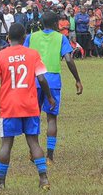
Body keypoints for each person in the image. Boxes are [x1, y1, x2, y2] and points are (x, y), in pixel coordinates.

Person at [0, 22, 55, 190]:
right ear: (24, 38)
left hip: (9, 107)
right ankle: (43, 179)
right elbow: (42, 79)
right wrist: (49, 97)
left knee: (6, 145)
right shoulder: (32, 54)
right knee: (34, 143)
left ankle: (1, 183)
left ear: (8, 38)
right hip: (30, 105)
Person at [25, 11, 83, 161]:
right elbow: (69, 59)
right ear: (55, 24)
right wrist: (77, 79)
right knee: (51, 118)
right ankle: (50, 156)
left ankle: (34, 150)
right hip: (53, 81)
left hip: (34, 80)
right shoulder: (61, 38)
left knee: (33, 116)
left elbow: (23, 56)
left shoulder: (31, 37)